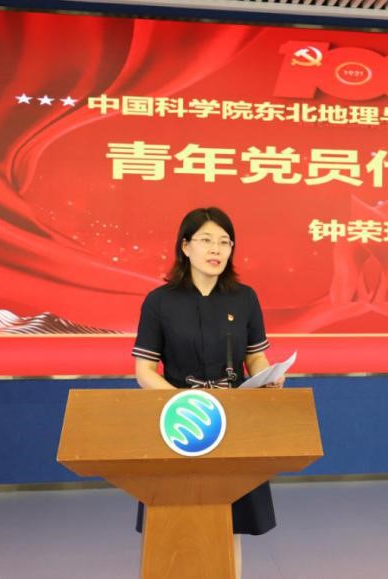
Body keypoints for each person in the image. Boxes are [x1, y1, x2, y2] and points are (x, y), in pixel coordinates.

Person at [131, 207, 284, 578]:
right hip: (178, 423)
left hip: (232, 421)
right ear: (185, 247)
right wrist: (182, 402)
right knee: (172, 516)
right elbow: (144, 371)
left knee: (230, 519)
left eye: (224, 242)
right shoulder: (160, 301)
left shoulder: (244, 298)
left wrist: (268, 376)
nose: (216, 249)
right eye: (206, 240)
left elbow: (255, 357)